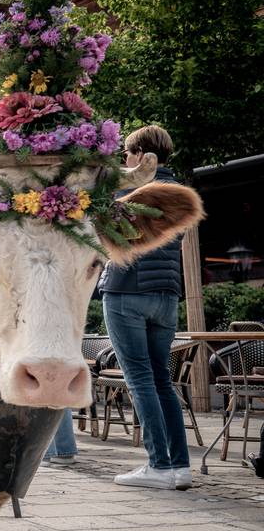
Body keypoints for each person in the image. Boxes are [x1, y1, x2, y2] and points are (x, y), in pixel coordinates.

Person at [98, 125, 191, 491]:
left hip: (126, 291)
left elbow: (105, 237)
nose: (124, 159)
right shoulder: (182, 193)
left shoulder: (125, 191)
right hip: (167, 294)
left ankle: (158, 465)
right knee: (161, 381)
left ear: (140, 156)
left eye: (126, 153)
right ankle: (179, 466)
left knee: (139, 381)